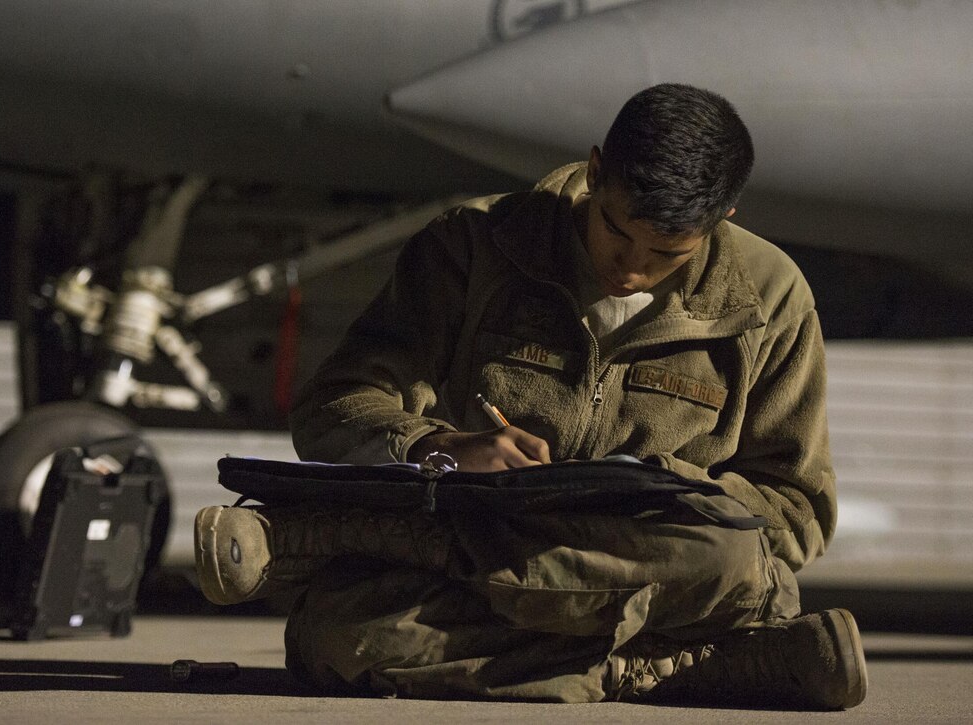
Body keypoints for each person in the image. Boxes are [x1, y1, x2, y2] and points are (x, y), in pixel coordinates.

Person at [194, 83, 867, 708]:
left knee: (732, 561)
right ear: (595, 171)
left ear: (723, 218)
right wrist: (439, 445)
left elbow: (796, 505)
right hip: (488, 529)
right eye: (617, 230)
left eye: (666, 254)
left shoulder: (771, 298)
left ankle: (316, 537)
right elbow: (334, 407)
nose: (632, 268)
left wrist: (653, 491)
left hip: (644, 564)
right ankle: (679, 670)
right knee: (335, 636)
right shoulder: (472, 247)